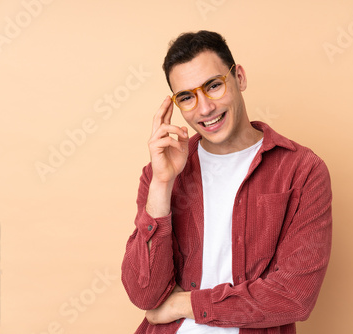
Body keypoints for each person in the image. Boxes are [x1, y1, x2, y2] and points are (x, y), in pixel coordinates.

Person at [121, 30, 332, 334]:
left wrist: (184, 304)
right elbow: (145, 294)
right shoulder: (160, 174)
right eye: (186, 97)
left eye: (214, 86)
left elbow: (293, 297)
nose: (205, 108)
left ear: (240, 78)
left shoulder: (302, 171)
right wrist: (162, 184)